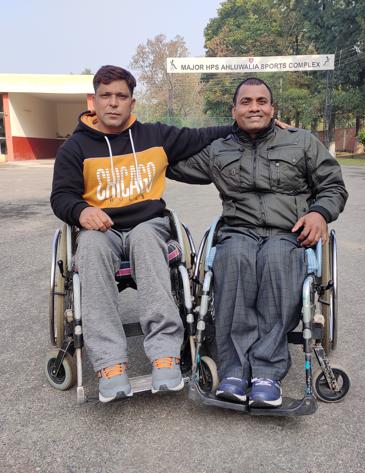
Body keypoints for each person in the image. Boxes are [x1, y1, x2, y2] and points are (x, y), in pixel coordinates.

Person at [50, 65, 234, 402]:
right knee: (88, 249)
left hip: (147, 225)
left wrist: (245, 124)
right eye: (106, 96)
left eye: (121, 96)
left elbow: (202, 134)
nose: (113, 103)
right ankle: (109, 364)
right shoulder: (75, 148)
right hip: (100, 229)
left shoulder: (155, 136)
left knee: (148, 240)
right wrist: (81, 210)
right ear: (93, 100)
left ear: (132, 102)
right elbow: (61, 196)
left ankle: (165, 354)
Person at [167, 77, 348, 408]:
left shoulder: (301, 142)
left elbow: (333, 185)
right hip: (238, 230)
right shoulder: (218, 149)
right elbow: (168, 161)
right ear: (234, 110)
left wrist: (320, 213)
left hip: (287, 233)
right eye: (246, 102)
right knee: (233, 260)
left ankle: (266, 372)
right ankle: (234, 369)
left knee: (276, 262)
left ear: (273, 108)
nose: (255, 107)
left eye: (261, 102)